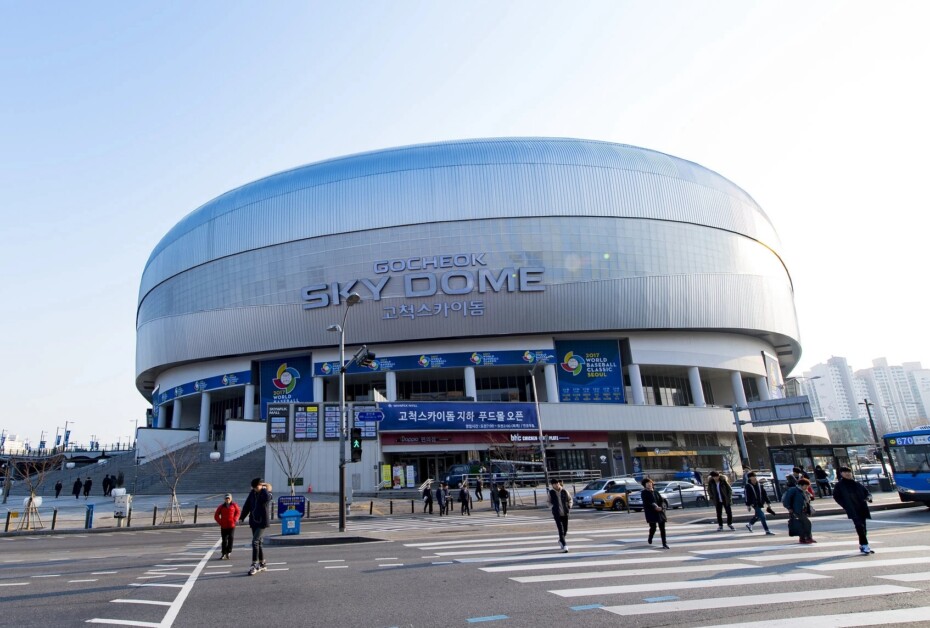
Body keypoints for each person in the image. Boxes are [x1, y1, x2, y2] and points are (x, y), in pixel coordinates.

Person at [832, 466, 874, 554]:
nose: (847, 474)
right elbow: (836, 497)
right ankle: (865, 545)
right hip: (852, 509)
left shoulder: (856, 483)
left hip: (862, 507)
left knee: (863, 527)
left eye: (849, 472)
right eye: (845, 472)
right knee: (859, 526)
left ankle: (863, 545)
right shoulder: (839, 485)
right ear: (841, 474)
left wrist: (868, 498)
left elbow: (867, 493)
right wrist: (845, 505)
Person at [239, 477, 273, 575]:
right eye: (254, 487)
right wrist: (242, 517)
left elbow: (267, 498)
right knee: (259, 542)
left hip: (262, 522)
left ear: (261, 485)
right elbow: (247, 506)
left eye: (257, 487)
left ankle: (254, 564)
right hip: (253, 520)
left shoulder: (265, 493)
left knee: (255, 541)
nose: (255, 489)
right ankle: (262, 563)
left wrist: (266, 487)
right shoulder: (252, 494)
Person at [783, 477, 815, 544]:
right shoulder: (794, 490)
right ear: (801, 485)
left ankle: (802, 539)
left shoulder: (804, 492)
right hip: (796, 511)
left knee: (802, 525)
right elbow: (786, 500)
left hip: (803, 510)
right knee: (808, 523)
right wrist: (789, 508)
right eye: (806, 486)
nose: (807, 488)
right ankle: (808, 538)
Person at [640, 477, 669, 549]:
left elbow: (661, 500)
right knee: (653, 527)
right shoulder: (644, 493)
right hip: (651, 512)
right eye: (647, 484)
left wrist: (661, 507)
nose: (649, 485)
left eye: (650, 483)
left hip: (660, 511)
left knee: (662, 528)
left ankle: (664, 544)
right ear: (644, 485)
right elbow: (647, 502)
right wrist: (655, 507)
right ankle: (650, 537)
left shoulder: (656, 492)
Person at [214, 493, 240, 560]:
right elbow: (216, 515)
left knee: (231, 538)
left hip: (232, 525)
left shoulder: (234, 505)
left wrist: (235, 519)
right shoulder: (221, 506)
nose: (227, 499)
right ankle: (223, 553)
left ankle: (229, 551)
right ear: (224, 499)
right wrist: (220, 522)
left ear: (231, 499)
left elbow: (238, 512)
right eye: (226, 498)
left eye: (228, 498)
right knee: (224, 540)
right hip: (224, 526)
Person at [548, 479, 572, 552]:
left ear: (559, 483)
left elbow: (570, 499)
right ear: (552, 485)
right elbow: (548, 502)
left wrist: (569, 505)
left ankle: (561, 540)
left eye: (557, 483)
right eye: (554, 484)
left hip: (565, 513)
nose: (556, 485)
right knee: (560, 530)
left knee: (565, 529)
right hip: (557, 514)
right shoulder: (551, 493)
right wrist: (552, 507)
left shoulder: (564, 491)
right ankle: (565, 545)